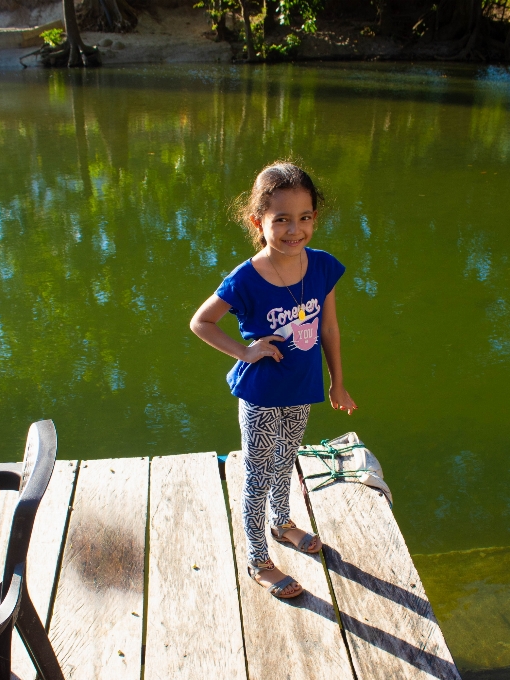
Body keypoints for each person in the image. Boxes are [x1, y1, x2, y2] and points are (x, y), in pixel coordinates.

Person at [190, 161, 357, 599]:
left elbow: (330, 329)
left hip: (302, 390)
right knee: (257, 475)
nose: (293, 229)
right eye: (280, 219)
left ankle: (282, 523)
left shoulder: (322, 267)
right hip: (262, 395)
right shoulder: (244, 279)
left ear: (314, 219)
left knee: (287, 461)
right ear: (258, 222)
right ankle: (258, 558)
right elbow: (201, 323)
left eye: (304, 218)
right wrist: (245, 351)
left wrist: (338, 382)